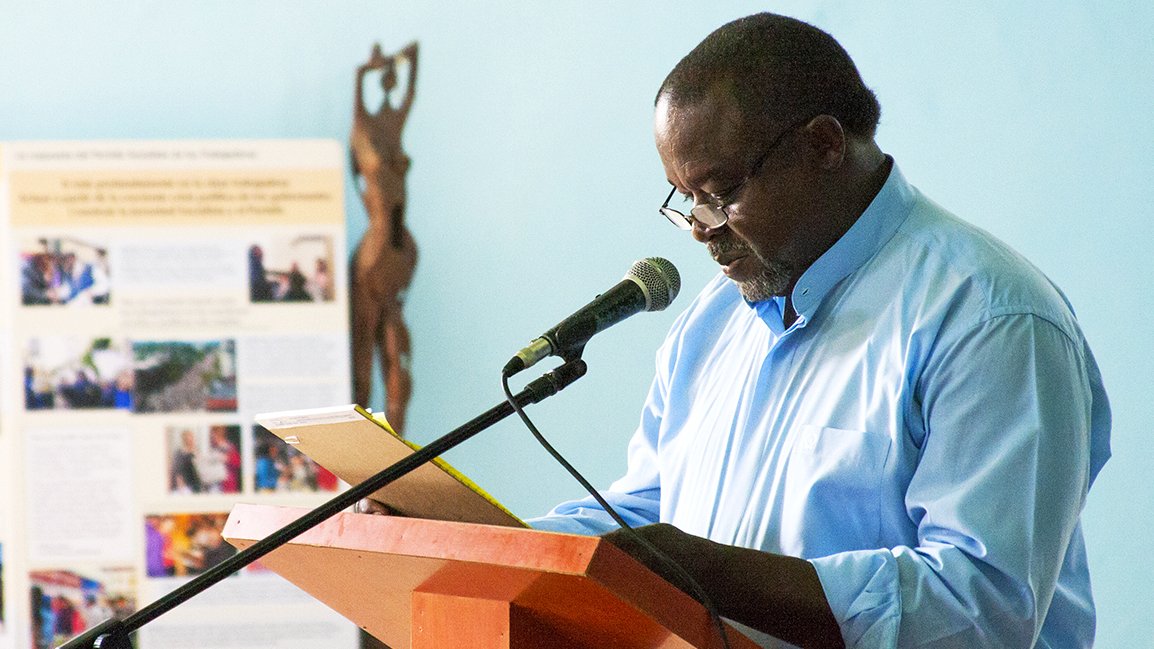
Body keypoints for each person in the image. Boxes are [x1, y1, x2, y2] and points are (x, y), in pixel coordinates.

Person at [361, 13, 1110, 649]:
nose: (699, 231)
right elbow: (650, 514)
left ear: (823, 145)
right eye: (682, 198)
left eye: (718, 193)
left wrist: (710, 569)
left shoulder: (989, 317)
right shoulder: (715, 322)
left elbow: (981, 606)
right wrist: (467, 542)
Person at [348, 41, 419, 434]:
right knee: (362, 364)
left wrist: (405, 58)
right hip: (375, 252)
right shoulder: (365, 131)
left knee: (399, 359)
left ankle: (398, 452)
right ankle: (363, 454)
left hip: (397, 244)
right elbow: (359, 98)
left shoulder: (393, 125)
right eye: (385, 76)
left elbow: (411, 91)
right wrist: (365, 71)